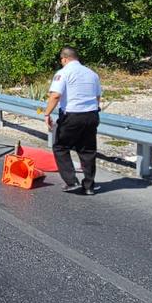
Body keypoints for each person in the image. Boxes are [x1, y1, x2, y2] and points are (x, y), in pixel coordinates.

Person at [42, 46, 102, 194]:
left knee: (60, 147)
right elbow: (97, 97)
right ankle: (89, 186)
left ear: (64, 59)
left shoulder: (63, 73)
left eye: (61, 60)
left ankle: (71, 181)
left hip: (72, 115)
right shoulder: (92, 74)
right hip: (91, 115)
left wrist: (47, 114)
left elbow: (56, 95)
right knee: (87, 150)